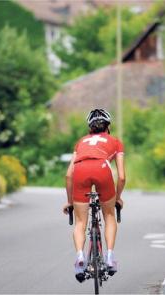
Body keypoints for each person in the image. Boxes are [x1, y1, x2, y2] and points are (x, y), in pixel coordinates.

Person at [62, 108, 126, 282]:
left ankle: (80, 257)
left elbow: (69, 175)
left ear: (90, 128)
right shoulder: (116, 142)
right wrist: (117, 198)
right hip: (102, 169)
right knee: (109, 216)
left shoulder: (81, 142)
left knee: (80, 222)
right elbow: (121, 177)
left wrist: (70, 202)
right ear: (108, 126)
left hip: (80, 170)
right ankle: (110, 258)